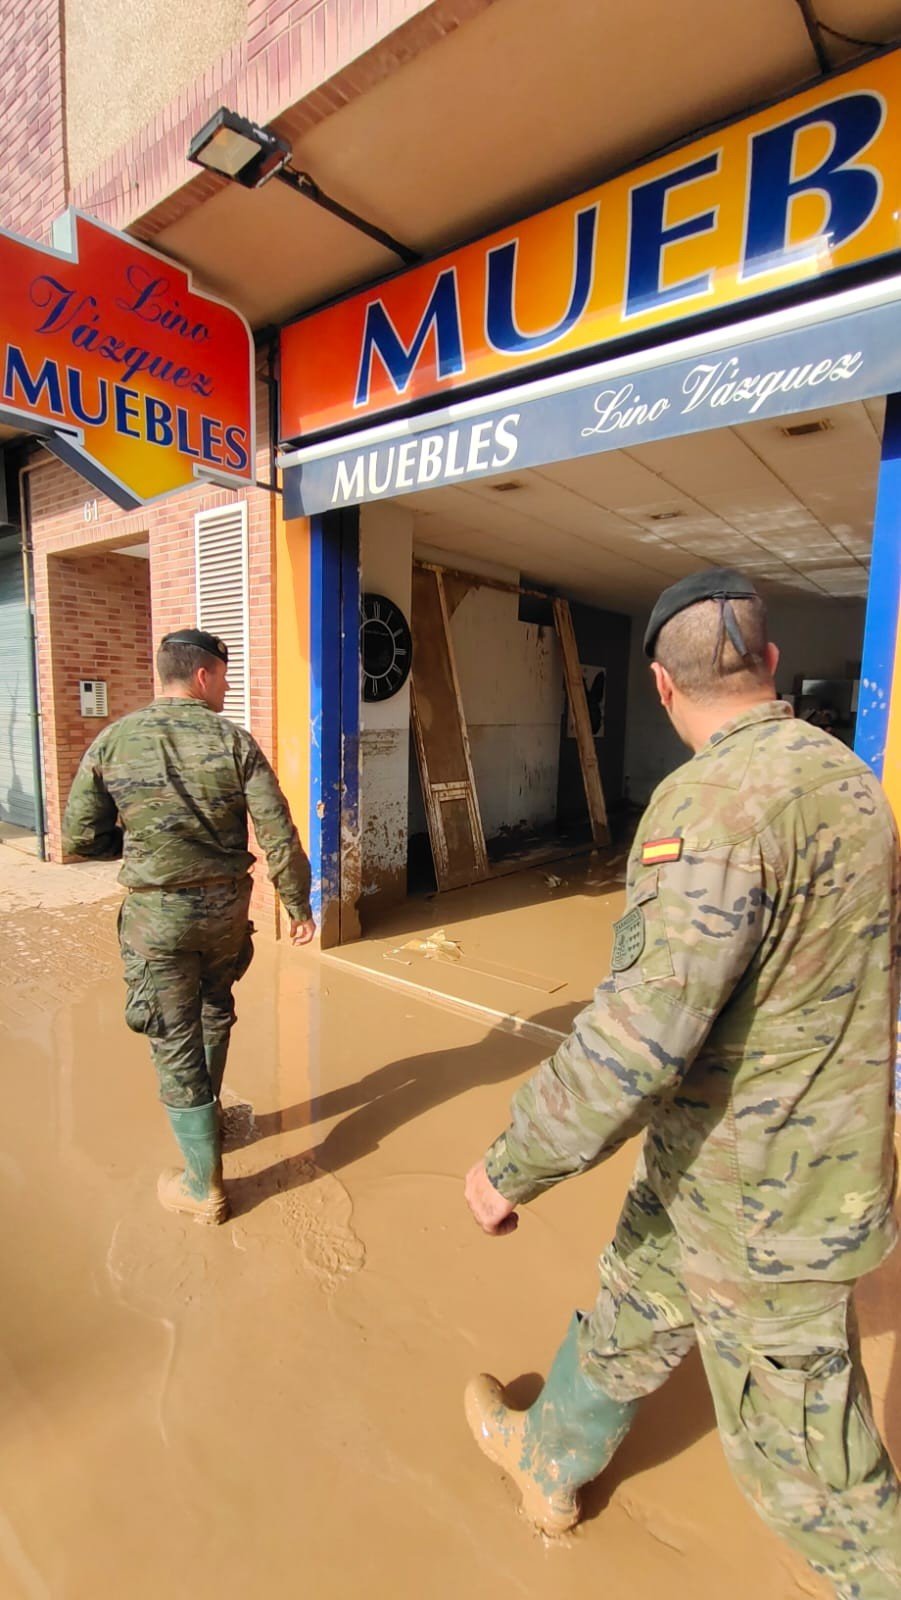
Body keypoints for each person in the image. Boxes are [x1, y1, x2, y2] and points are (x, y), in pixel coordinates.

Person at [463, 570, 901, 1599]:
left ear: (661, 687)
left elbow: (637, 1034)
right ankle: (548, 1458)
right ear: (773, 666)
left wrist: (510, 1164)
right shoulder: (852, 783)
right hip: (740, 1170)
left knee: (814, 1474)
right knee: (636, 1297)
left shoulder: (703, 807)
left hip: (762, 1204)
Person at [62, 628, 315, 1226]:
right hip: (226, 912)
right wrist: (297, 905)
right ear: (202, 675)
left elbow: (78, 837)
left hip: (159, 918)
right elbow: (278, 830)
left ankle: (203, 1184)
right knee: (214, 1010)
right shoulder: (235, 742)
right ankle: (214, 1123)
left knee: (174, 1039)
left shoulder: (113, 741)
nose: (227, 686)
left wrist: (144, 842)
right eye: (225, 676)